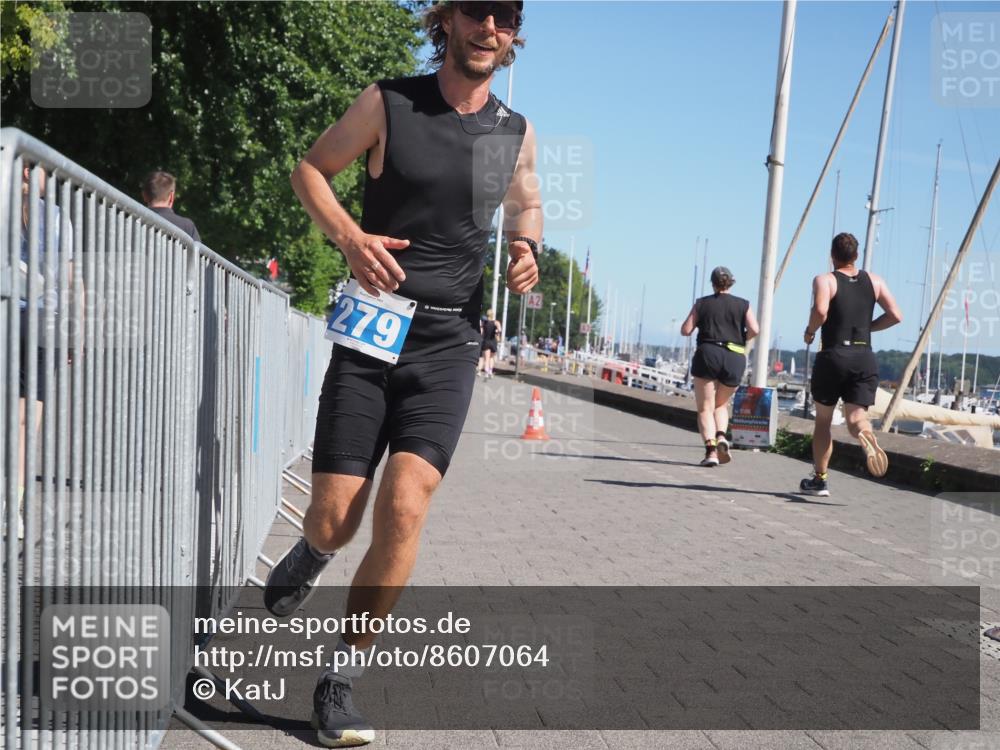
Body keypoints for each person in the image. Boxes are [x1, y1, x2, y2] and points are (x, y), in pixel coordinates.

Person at [265, 1, 540, 746]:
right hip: (373, 330)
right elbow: (310, 170)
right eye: (477, 10)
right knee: (335, 517)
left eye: (506, 16)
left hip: (449, 343)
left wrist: (526, 248)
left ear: (514, 34)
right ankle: (315, 550)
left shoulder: (512, 132)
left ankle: (340, 679)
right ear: (447, 19)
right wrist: (349, 237)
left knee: (406, 506)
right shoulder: (390, 103)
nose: (490, 26)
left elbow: (526, 204)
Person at [800, 232, 902, 496]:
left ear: (832, 255)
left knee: (823, 422)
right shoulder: (875, 281)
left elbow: (820, 311)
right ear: (856, 255)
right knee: (857, 418)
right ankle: (865, 435)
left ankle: (820, 479)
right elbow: (895, 315)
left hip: (833, 356)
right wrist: (868, 327)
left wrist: (810, 331)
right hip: (863, 356)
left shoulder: (825, 280)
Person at [680, 266, 759, 466]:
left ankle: (711, 452)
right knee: (721, 405)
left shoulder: (702, 303)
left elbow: (686, 330)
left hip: (708, 353)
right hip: (735, 357)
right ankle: (722, 435)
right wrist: (742, 337)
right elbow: (755, 329)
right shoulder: (743, 304)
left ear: (712, 283)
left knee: (705, 408)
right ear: (731, 282)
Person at [140, 170, 201, 242]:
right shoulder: (187, 226)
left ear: (144, 195)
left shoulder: (133, 219)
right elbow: (197, 248)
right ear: (172, 196)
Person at [480, 308, 501, 378]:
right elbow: (499, 330)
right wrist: (497, 332)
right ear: (493, 315)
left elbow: (481, 332)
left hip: (486, 341)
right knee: (491, 358)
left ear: (487, 314)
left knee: (486, 358)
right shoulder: (496, 322)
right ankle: (490, 371)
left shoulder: (484, 323)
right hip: (493, 341)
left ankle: (486, 373)